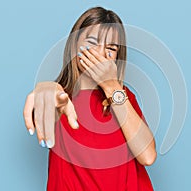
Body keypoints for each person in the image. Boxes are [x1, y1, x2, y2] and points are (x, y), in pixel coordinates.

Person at [23, 6, 157, 191]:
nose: (101, 55)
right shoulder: (61, 99)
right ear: (74, 46)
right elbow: (46, 111)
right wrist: (46, 90)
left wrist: (111, 86)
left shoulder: (122, 97)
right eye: (93, 43)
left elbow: (148, 156)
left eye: (111, 49)